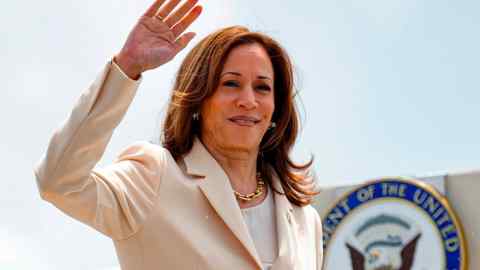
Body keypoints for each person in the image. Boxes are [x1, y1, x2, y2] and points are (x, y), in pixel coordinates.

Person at [34, 0, 323, 269]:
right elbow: (59, 182)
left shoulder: (305, 220)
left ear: (277, 109)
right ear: (198, 99)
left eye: (262, 88)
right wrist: (127, 66)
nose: (248, 100)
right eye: (231, 83)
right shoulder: (154, 177)